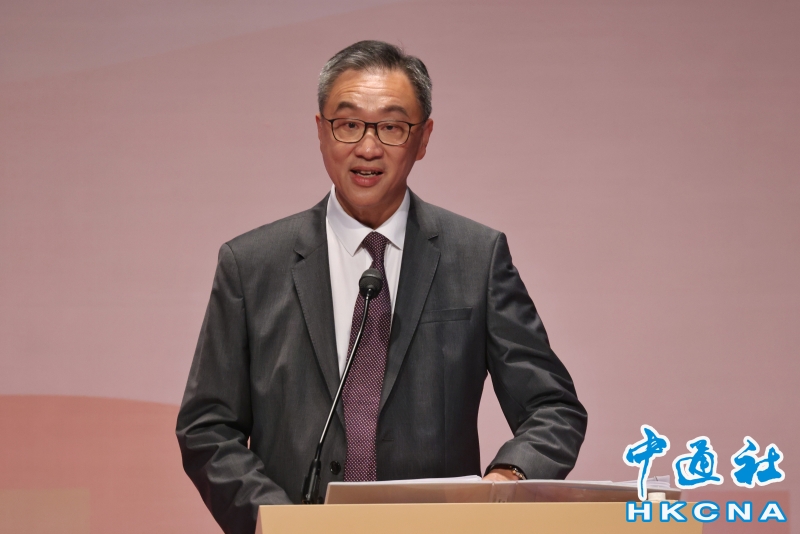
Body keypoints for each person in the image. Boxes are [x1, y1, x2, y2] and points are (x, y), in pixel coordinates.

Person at [176, 40, 587, 534]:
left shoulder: (476, 257)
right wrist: (274, 521)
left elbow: (553, 408)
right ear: (321, 131)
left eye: (391, 127)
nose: (368, 148)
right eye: (348, 124)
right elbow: (207, 427)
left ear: (424, 137)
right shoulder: (250, 264)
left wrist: (507, 479)